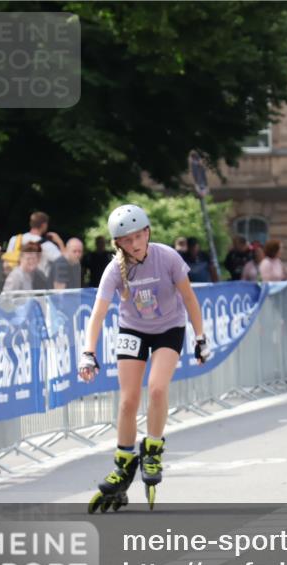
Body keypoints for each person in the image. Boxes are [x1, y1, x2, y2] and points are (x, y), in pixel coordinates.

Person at [78, 204, 211, 512]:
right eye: (127, 239)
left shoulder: (167, 257)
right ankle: (124, 462)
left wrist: (200, 336)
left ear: (148, 232)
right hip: (133, 329)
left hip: (169, 327)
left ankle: (152, 449)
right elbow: (97, 314)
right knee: (127, 401)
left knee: (157, 388)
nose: (135, 243)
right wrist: (88, 352)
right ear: (117, 244)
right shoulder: (114, 269)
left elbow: (189, 298)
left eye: (139, 236)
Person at [3, 211, 64, 276]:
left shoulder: (15, 239)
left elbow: (7, 262)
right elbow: (63, 262)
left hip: (14, 280)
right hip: (37, 283)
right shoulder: (47, 245)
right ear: (44, 225)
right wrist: (59, 242)